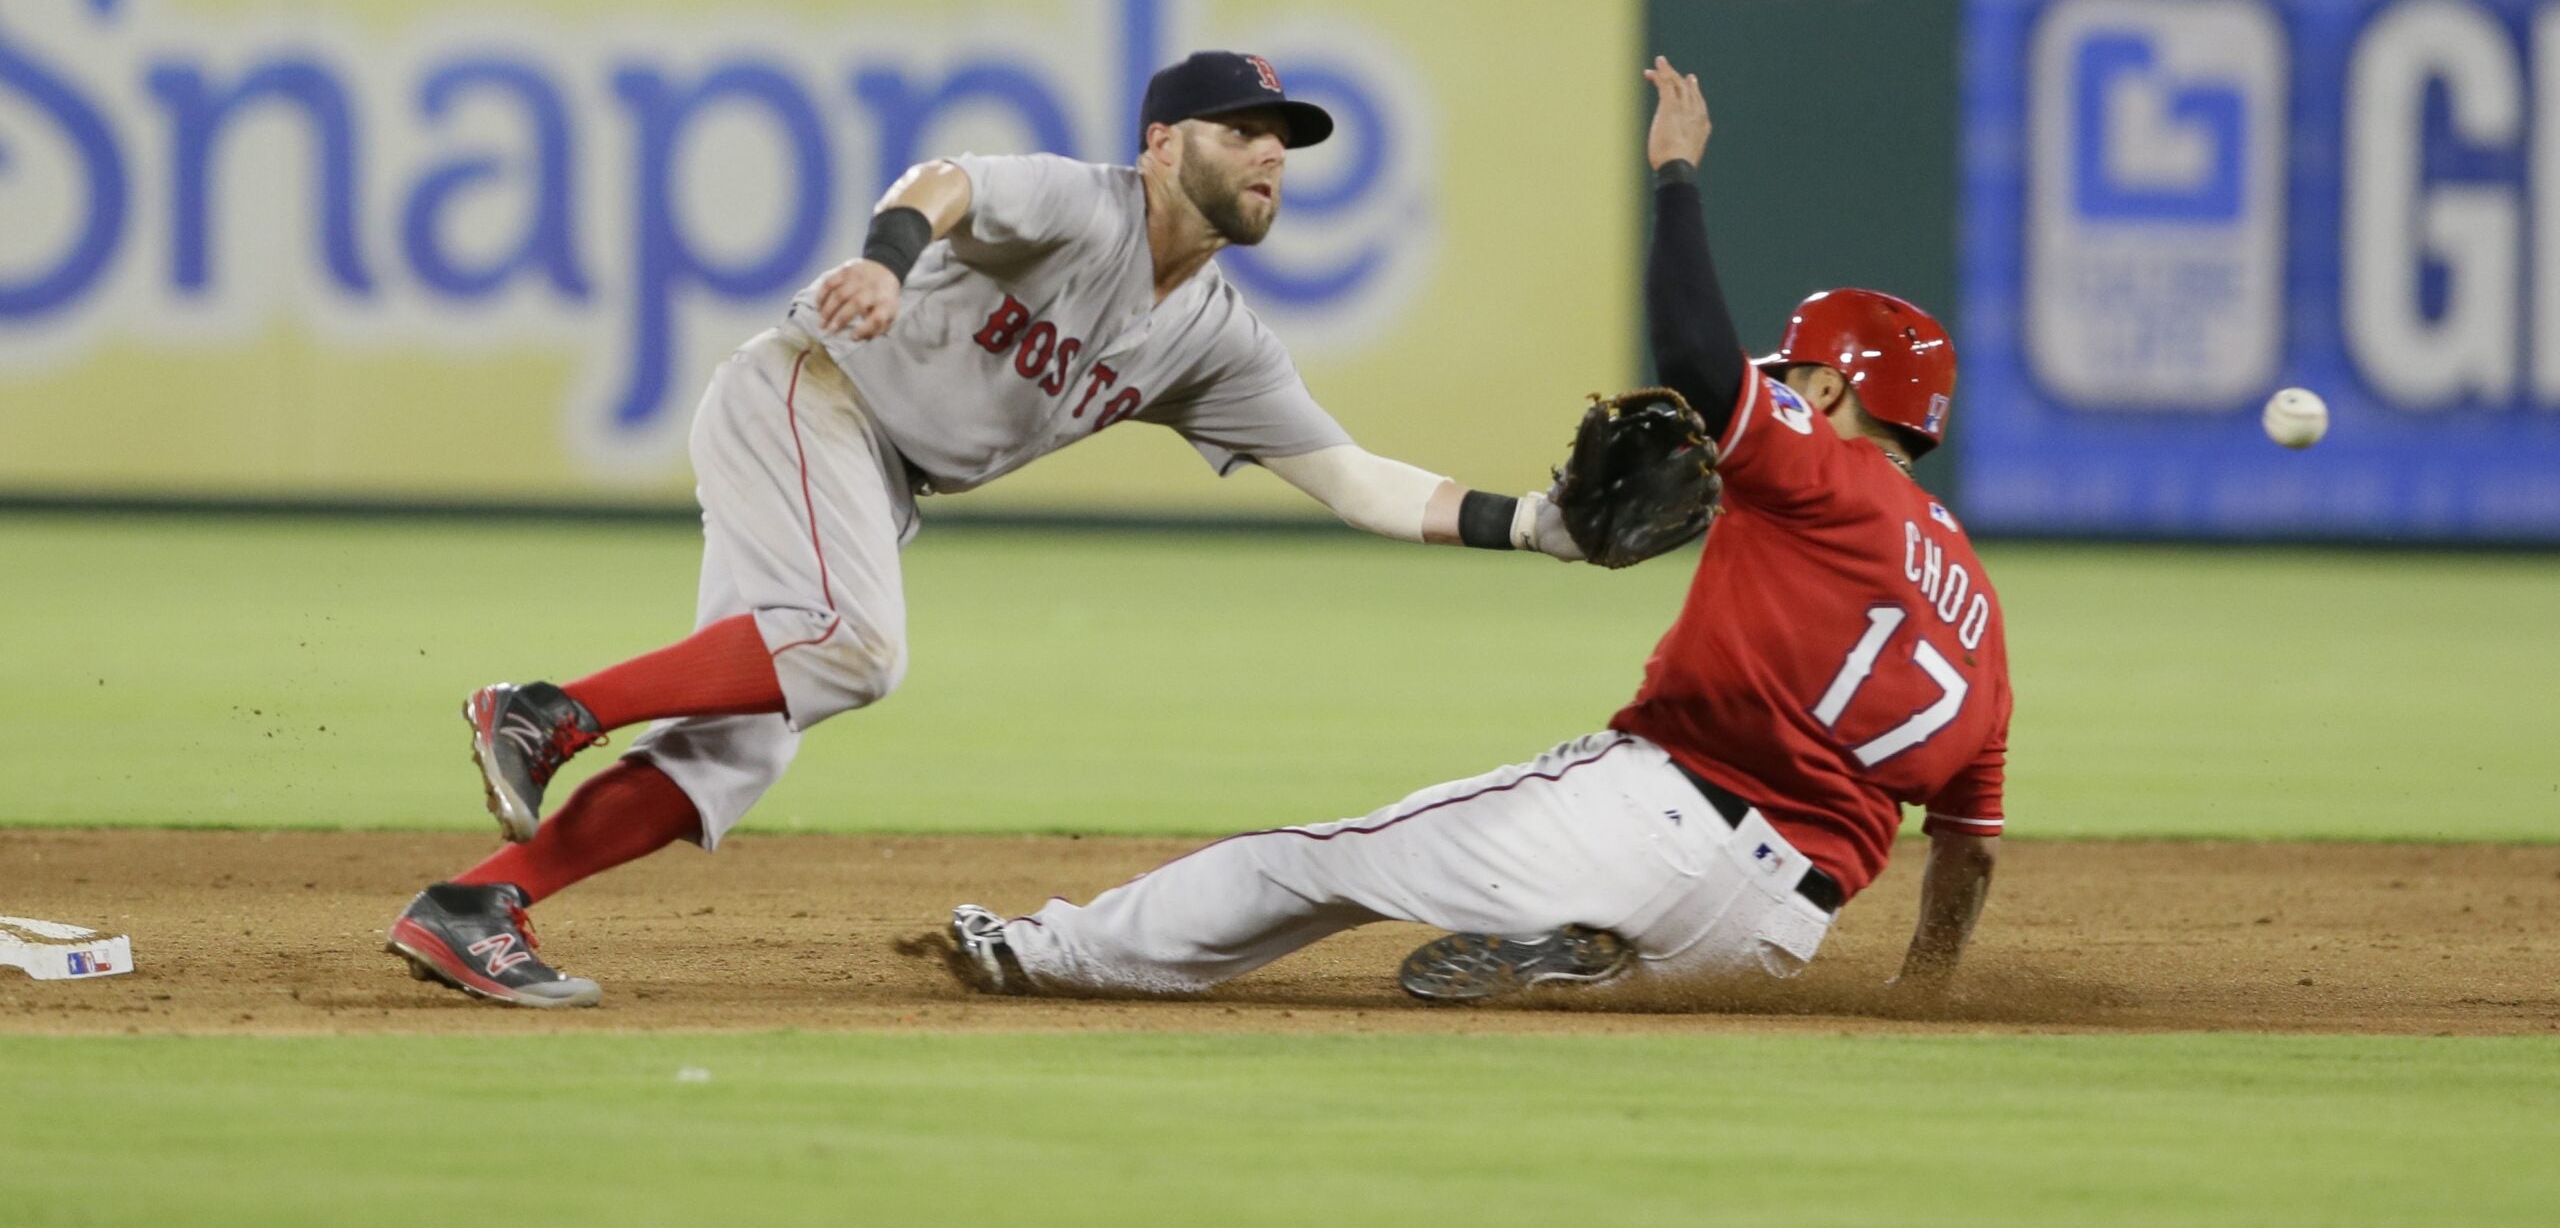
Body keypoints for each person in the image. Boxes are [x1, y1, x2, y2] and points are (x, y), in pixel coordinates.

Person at [385, 51, 1586, 1008]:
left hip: (874, 473)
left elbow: (1357, 481)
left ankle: (477, 905)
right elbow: (943, 181)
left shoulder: (1217, 336)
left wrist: (1538, 523)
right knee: (852, 647)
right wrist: (890, 261)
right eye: (1238, 129)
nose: (1268, 152)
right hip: (815, 394)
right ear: (1161, 145)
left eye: (1282, 140)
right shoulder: (1089, 204)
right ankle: (548, 711)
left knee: (744, 742)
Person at [940, 57, 2011, 1004]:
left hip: (1653, 820)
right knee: (1623, 957)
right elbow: (1967, 852)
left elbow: (1695, 355)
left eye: (1793, 379)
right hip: (1774, 935)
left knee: (1309, 865)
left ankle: (1043, 950)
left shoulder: (1819, 467)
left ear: (1826, 389)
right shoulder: (1982, 622)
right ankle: (1584, 952)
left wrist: (1676, 177)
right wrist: (1924, 986)